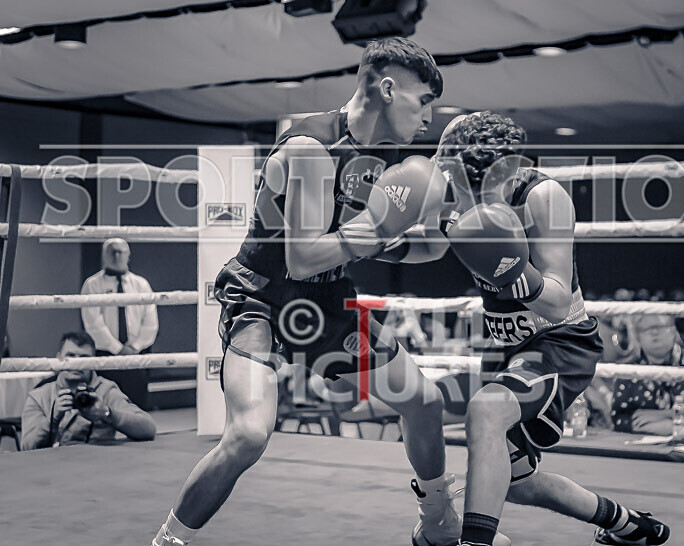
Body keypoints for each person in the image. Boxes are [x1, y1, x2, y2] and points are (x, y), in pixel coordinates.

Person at [152, 37, 493, 546]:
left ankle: (438, 520)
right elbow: (304, 255)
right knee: (247, 435)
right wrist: (381, 226)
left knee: (422, 400)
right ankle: (167, 540)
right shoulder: (310, 146)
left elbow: (376, 249)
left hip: (325, 301)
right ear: (386, 87)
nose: (429, 119)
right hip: (261, 299)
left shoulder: (381, 156)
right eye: (424, 101)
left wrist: (445, 234)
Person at [435, 111, 669, 545]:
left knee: (487, 410)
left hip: (559, 340)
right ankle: (629, 525)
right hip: (506, 346)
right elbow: (425, 249)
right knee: (515, 479)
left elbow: (559, 297)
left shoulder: (542, 195)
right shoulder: (449, 190)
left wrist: (510, 268)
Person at [21, 332, 156, 450]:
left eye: (84, 357)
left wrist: (107, 413)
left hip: (97, 466)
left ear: (93, 360)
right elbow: (27, 447)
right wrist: (52, 420)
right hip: (51, 466)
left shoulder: (106, 390)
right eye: (70, 356)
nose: (76, 363)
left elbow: (148, 429)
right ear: (59, 358)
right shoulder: (39, 396)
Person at [81, 238, 159, 407]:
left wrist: (134, 347)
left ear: (128, 255)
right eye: (112, 251)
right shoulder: (92, 285)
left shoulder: (141, 284)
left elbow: (151, 321)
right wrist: (118, 349)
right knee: (106, 402)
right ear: (104, 255)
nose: (116, 255)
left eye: (120, 251)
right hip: (106, 353)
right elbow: (93, 322)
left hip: (137, 353)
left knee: (137, 403)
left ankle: (137, 432)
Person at [610, 315, 684, 435]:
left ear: (673, 331)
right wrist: (657, 428)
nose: (654, 332)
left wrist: (666, 417)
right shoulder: (629, 369)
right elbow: (619, 419)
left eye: (660, 326)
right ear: (638, 336)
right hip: (643, 443)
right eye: (646, 329)